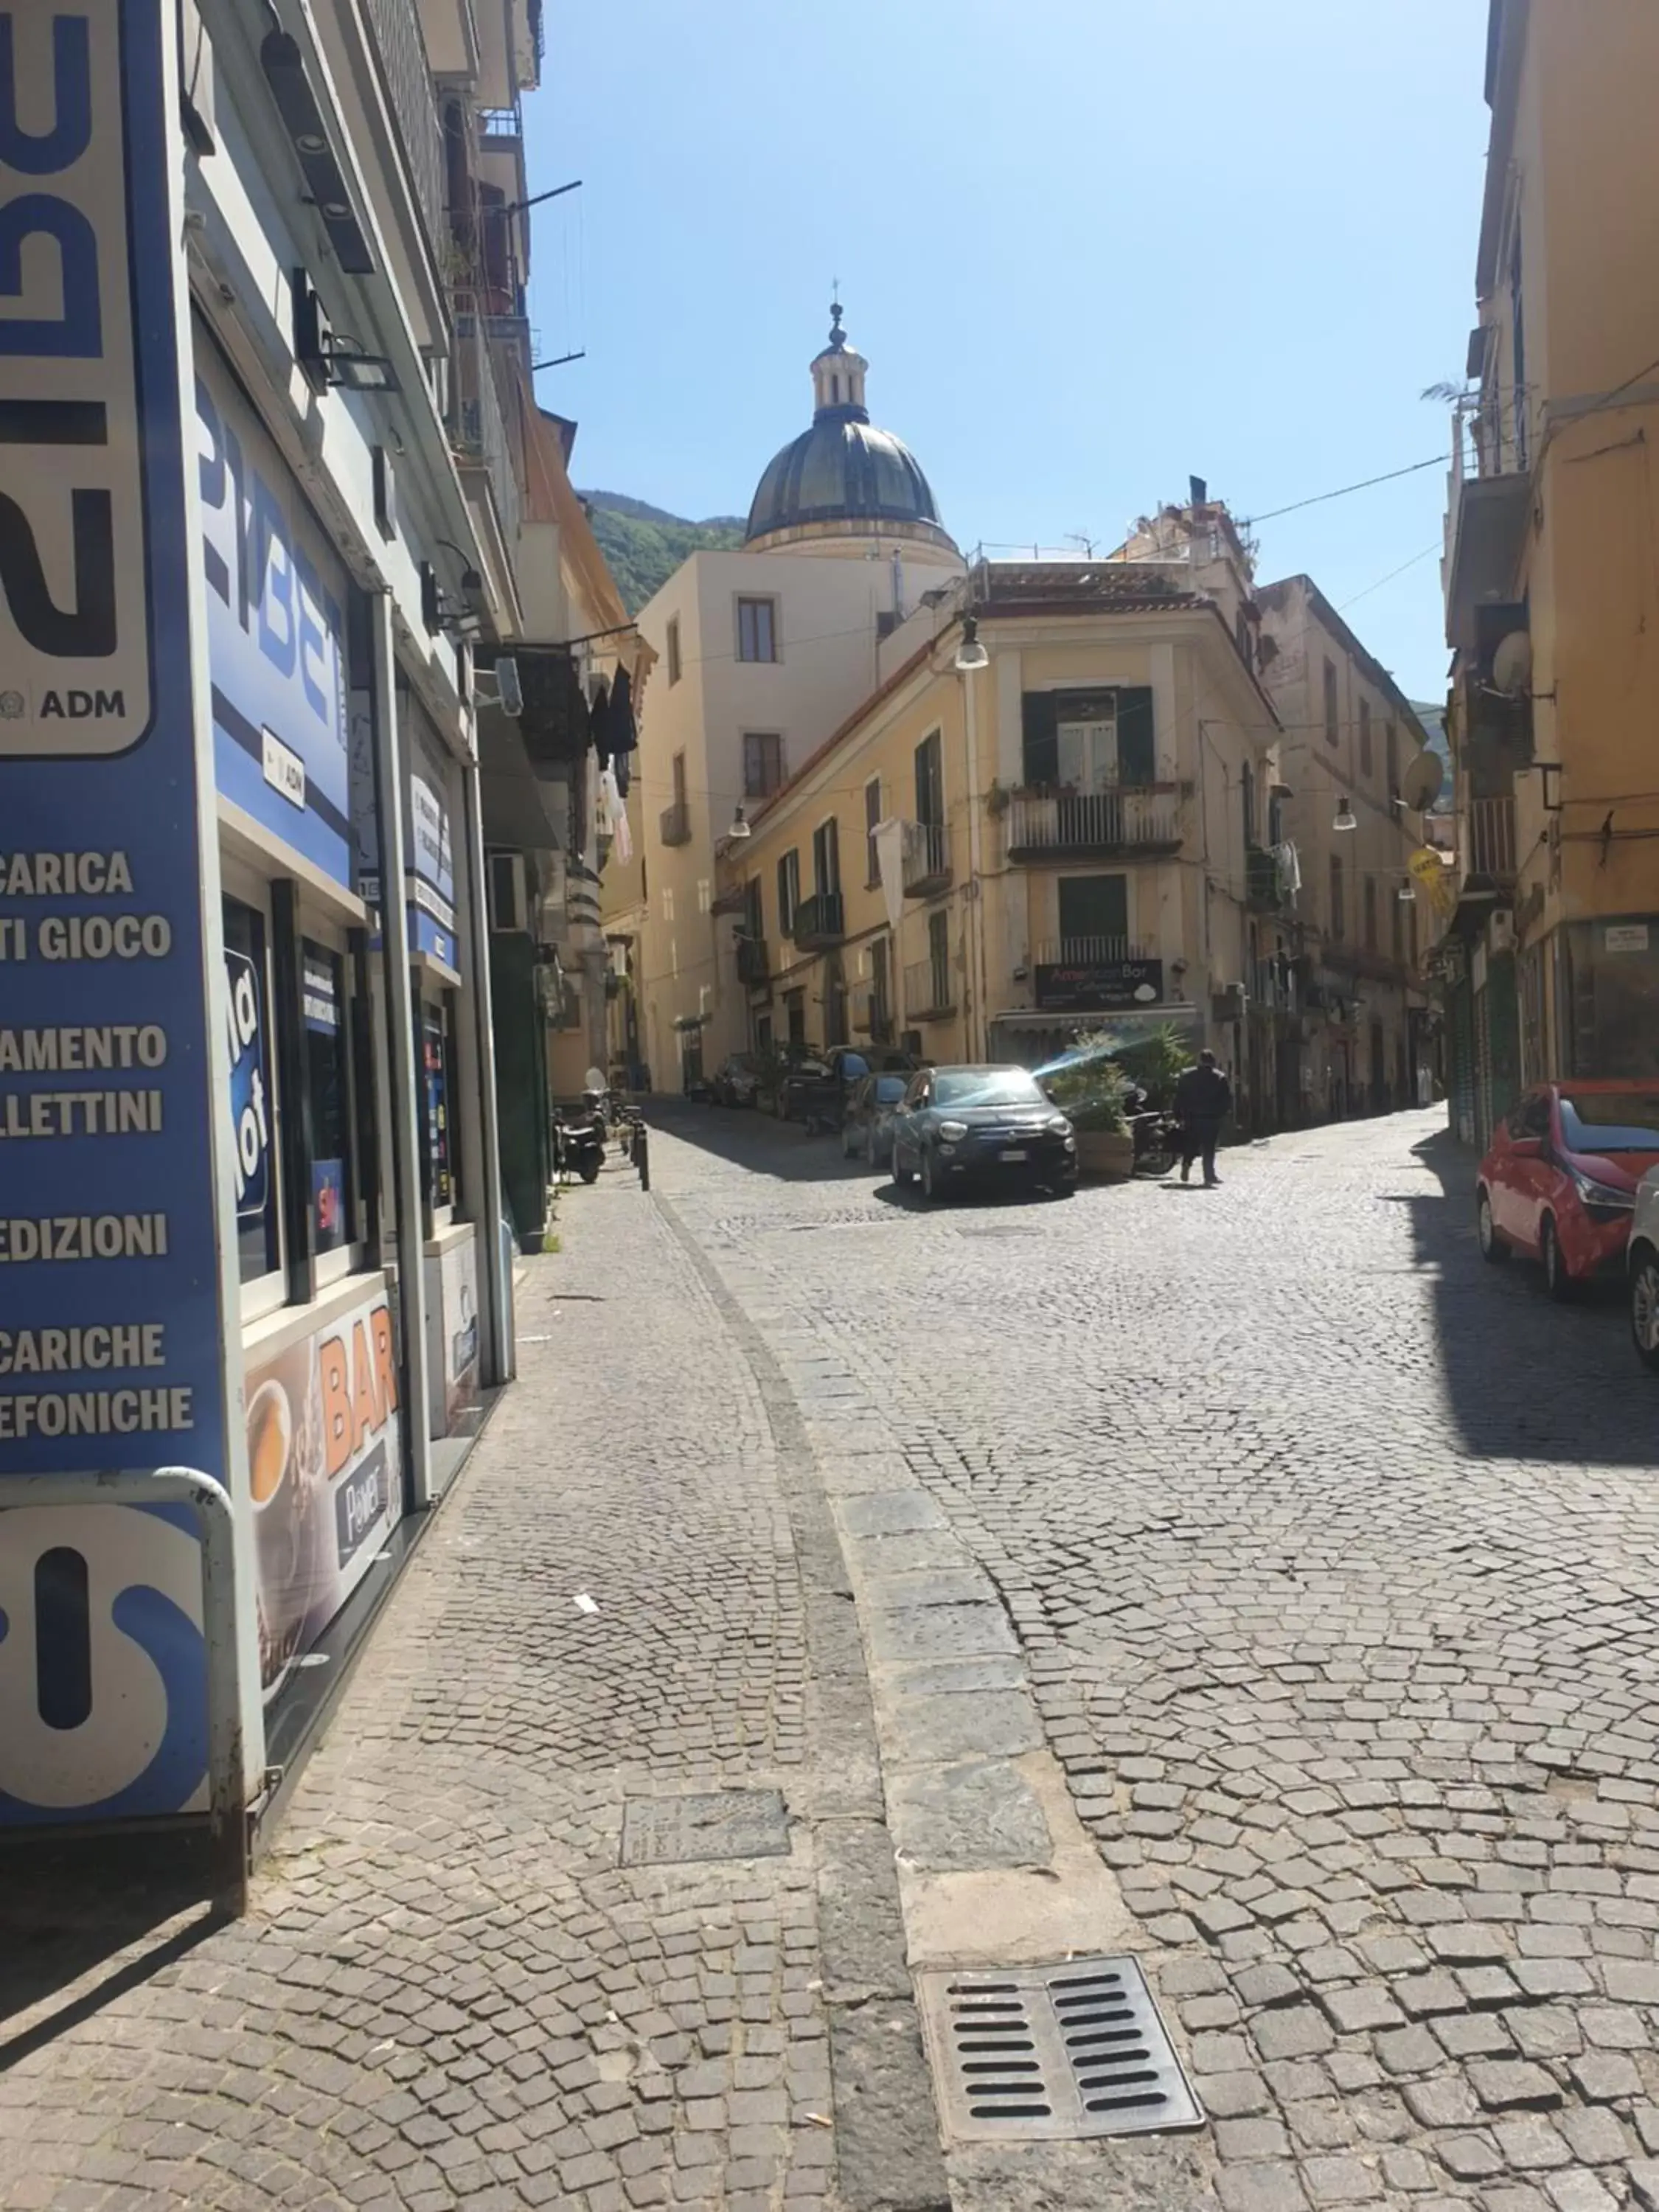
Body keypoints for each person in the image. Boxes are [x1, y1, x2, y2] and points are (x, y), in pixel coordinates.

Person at [1174, 1049, 1232, 1186]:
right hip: (1211, 1118)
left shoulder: (1187, 1076)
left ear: (1199, 1060)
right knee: (1209, 1148)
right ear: (1212, 1061)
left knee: (1192, 1143)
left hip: (1192, 1117)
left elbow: (1179, 1098)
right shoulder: (1219, 1077)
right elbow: (1226, 1099)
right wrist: (1222, 1114)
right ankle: (1209, 1175)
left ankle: (1186, 1164)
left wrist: (1178, 1115)